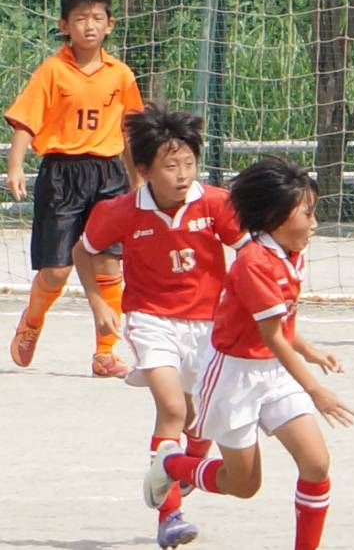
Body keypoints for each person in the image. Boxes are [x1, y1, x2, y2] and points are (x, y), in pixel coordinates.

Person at [143, 157, 354, 550]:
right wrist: (315, 390)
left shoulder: (290, 252)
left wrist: (310, 351)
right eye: (307, 213)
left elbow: (282, 324)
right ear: (275, 218)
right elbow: (272, 335)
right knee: (243, 485)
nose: (314, 224)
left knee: (316, 463)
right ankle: (171, 463)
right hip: (233, 378)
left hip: (275, 372)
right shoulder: (253, 262)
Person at [74, 104, 248, 548]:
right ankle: (170, 517)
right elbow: (83, 251)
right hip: (151, 320)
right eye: (171, 166)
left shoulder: (215, 203)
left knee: (203, 416)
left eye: (189, 163)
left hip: (209, 325)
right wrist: (98, 303)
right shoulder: (121, 211)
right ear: (144, 170)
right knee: (172, 410)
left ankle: (185, 466)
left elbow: (249, 252)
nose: (182, 174)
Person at [6, 0, 144, 376]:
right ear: (64, 25)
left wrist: (137, 179)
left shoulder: (120, 75)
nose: (89, 26)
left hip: (108, 174)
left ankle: (105, 352)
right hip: (62, 174)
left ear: (110, 24)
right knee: (56, 270)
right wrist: (15, 166)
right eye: (80, 19)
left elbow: (130, 131)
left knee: (108, 264)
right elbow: (26, 121)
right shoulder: (53, 70)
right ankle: (32, 321)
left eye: (97, 18)